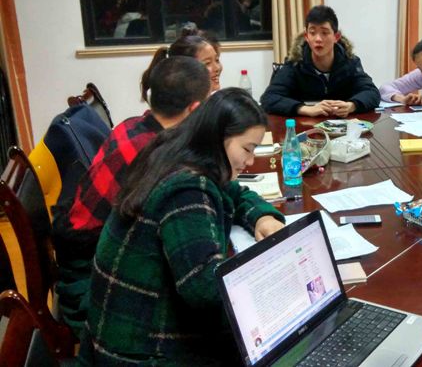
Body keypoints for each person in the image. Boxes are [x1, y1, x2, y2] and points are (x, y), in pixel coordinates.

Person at [80, 88, 286, 365]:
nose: (250, 161)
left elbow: (234, 191)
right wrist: (270, 280)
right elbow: (205, 289)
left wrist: (262, 217)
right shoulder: (187, 188)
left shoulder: (176, 149)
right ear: (218, 137)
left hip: (115, 327)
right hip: (136, 349)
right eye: (247, 149)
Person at [52, 57, 211, 337]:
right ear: (195, 109)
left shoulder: (134, 125)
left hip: (76, 253)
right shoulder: (156, 157)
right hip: (89, 282)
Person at [260, 5, 380, 117]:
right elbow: (269, 98)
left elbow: (372, 93)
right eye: (312, 33)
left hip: (342, 125)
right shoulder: (295, 63)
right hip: (305, 126)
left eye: (324, 33)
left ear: (336, 37)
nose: (318, 39)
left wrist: (352, 106)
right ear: (306, 36)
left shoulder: (350, 62)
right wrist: (305, 109)